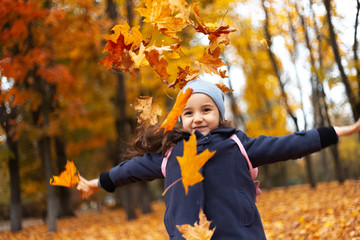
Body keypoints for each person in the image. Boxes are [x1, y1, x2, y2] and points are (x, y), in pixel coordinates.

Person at [78, 79, 360, 239]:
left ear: (219, 114)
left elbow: (287, 145)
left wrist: (334, 132)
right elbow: (131, 170)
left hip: (239, 235)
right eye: (188, 113)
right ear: (180, 119)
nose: (197, 118)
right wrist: (97, 183)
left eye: (206, 109)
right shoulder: (170, 152)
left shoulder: (237, 144)